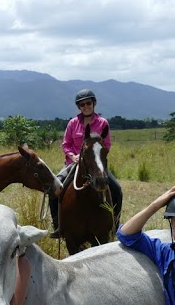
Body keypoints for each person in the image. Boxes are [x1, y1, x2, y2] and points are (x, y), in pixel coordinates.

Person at [48, 88, 123, 238]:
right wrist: (73, 156)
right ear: (79, 107)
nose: (86, 106)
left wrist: (96, 156)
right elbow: (66, 144)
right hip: (73, 163)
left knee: (117, 190)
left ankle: (115, 223)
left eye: (88, 103)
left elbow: (106, 144)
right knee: (54, 189)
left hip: (96, 164)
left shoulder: (103, 123)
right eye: (82, 104)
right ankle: (58, 225)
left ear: (94, 103)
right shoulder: (72, 123)